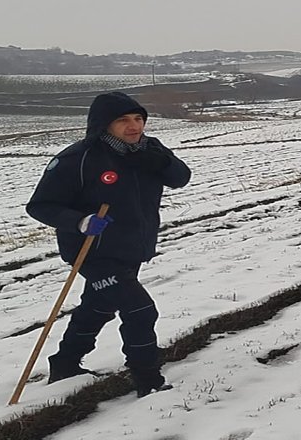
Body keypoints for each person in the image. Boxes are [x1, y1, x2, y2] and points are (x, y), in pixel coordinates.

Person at [26, 92, 191, 398]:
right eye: (124, 120)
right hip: (93, 251)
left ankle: (64, 364)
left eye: (139, 119)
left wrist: (161, 162)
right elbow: (40, 206)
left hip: (133, 247)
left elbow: (181, 178)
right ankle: (148, 380)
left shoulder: (149, 148)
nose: (134, 126)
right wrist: (80, 221)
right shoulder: (79, 158)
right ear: (104, 124)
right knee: (140, 311)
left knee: (98, 306)